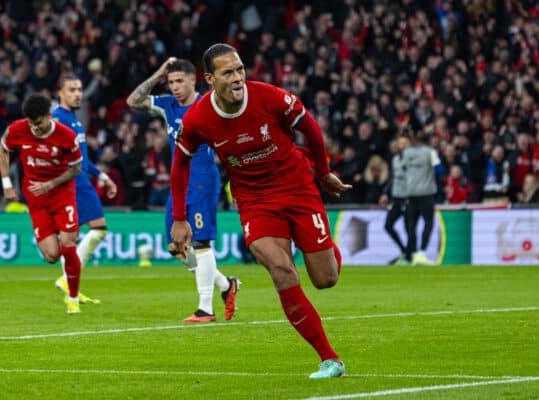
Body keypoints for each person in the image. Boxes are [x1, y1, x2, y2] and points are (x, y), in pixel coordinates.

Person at [170, 43, 351, 378]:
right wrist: (180, 218)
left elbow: (308, 126)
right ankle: (330, 358)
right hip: (255, 200)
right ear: (210, 79)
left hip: (297, 188)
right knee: (282, 270)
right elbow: (180, 163)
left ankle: (320, 246)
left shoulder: (269, 97)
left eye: (240, 69)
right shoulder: (198, 119)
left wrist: (323, 173)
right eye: (228, 72)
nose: (238, 78)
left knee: (325, 279)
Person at [127, 57, 239, 323]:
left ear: (193, 80)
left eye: (179, 81)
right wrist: (158, 75)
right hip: (179, 181)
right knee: (176, 247)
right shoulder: (167, 105)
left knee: (200, 241)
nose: (175, 87)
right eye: (171, 82)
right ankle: (225, 285)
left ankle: (205, 309)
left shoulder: (209, 103)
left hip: (203, 176)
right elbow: (133, 101)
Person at [0, 93, 84, 314]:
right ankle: (61, 231)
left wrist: (50, 184)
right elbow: (2, 148)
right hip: (36, 199)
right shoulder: (19, 129)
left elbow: (76, 168)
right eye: (30, 123)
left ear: (49, 116)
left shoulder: (66, 136)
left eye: (38, 123)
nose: (34, 128)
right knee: (52, 256)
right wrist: (7, 183)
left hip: (62, 195)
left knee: (68, 245)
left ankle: (72, 298)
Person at [52, 73, 118, 304]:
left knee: (74, 237)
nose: (78, 94)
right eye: (72, 90)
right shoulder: (57, 119)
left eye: (80, 89)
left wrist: (102, 176)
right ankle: (67, 280)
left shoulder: (74, 119)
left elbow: (83, 158)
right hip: (72, 185)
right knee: (97, 229)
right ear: (60, 92)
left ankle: (69, 283)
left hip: (82, 182)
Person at [404, 131, 441, 265]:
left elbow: (403, 170)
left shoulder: (407, 153)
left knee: (411, 225)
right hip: (426, 193)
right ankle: (421, 253)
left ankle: (413, 254)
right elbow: (439, 170)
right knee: (428, 223)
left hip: (411, 193)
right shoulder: (430, 152)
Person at [379, 134, 411, 265]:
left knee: (409, 228)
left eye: (404, 143)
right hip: (397, 198)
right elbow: (392, 177)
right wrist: (386, 193)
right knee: (388, 225)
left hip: (409, 198)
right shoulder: (395, 159)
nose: (401, 146)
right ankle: (405, 252)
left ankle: (409, 256)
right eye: (399, 143)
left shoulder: (412, 160)